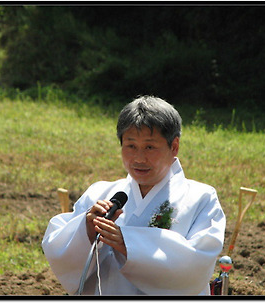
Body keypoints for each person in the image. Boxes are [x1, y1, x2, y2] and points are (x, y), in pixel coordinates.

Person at [42, 96, 226, 295]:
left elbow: (196, 266)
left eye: (149, 147)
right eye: (131, 146)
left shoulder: (201, 198)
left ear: (174, 147)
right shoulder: (100, 193)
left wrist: (128, 244)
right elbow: (58, 250)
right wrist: (85, 229)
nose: (139, 158)